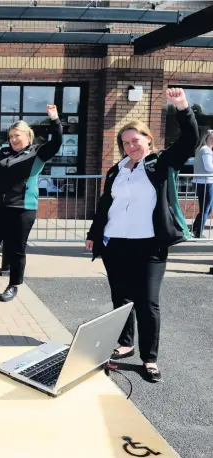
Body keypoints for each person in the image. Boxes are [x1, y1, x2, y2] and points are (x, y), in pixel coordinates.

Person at [86, 88, 199, 383]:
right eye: (125, 143)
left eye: (135, 140)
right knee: (121, 299)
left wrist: (182, 107)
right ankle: (125, 343)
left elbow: (189, 141)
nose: (130, 146)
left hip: (149, 244)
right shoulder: (117, 170)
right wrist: (94, 234)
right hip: (115, 244)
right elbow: (105, 205)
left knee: (147, 302)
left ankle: (150, 358)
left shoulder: (160, 163)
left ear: (148, 138)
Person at [0, 105, 63, 301]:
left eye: (17, 135)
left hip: (22, 209)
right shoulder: (4, 152)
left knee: (16, 249)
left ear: (27, 136)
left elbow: (56, 143)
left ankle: (13, 285)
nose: (13, 139)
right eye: (11, 136)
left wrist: (55, 120)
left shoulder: (38, 152)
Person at [191, 130, 213, 238]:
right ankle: (198, 233)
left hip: (203, 182)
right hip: (205, 183)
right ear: (206, 138)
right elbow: (209, 168)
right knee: (206, 208)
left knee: (208, 208)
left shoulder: (204, 150)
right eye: (211, 138)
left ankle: (196, 228)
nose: (212, 140)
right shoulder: (206, 150)